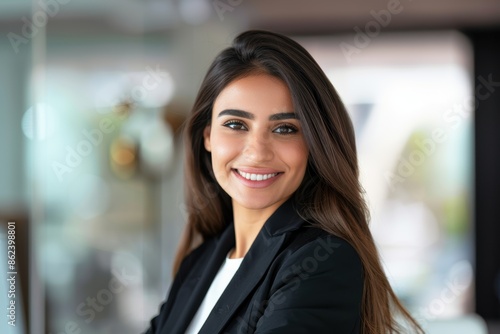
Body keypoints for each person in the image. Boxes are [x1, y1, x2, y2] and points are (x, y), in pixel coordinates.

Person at [145, 30, 423, 334]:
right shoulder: (200, 262)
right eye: (236, 124)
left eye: (285, 129)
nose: (257, 151)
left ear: (313, 144)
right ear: (208, 136)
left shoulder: (321, 261)